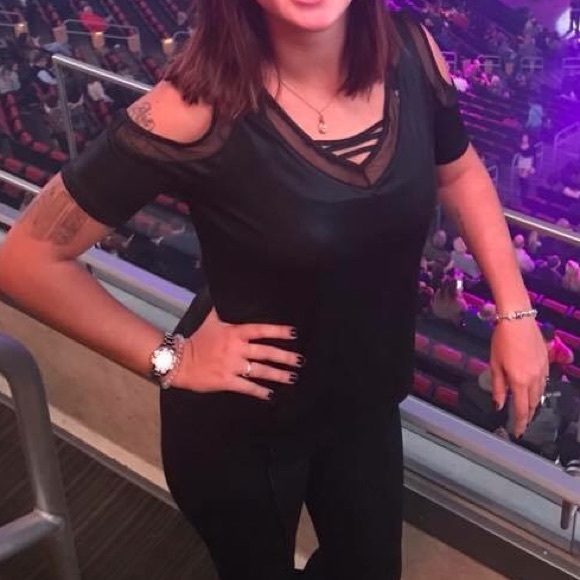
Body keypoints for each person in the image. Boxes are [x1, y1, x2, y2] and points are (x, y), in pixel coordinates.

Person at [0, 2, 549, 579]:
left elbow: (458, 170)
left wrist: (515, 313)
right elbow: (26, 259)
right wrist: (170, 359)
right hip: (241, 427)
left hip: (364, 407)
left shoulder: (411, 53)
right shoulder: (192, 106)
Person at [515, 133, 535, 201]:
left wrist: (533, 166)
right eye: (524, 137)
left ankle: (524, 193)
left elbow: (533, 156)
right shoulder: (519, 145)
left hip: (528, 161)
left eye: (526, 138)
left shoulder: (531, 146)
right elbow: (517, 153)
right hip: (521, 160)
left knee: (524, 177)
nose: (525, 139)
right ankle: (522, 190)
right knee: (520, 177)